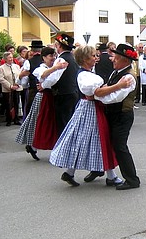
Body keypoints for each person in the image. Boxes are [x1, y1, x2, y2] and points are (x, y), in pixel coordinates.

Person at [49, 45, 123, 187]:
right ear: (84, 59)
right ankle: (110, 176)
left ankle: (71, 172)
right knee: (100, 139)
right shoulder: (84, 75)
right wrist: (117, 86)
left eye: (96, 55)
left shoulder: (88, 73)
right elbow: (93, 93)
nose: (96, 58)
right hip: (91, 109)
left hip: (90, 108)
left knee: (85, 140)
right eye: (93, 56)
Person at [94, 43, 140, 190]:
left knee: (120, 146)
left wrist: (98, 95)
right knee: (109, 144)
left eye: (116, 57)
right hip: (113, 113)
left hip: (122, 115)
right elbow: (108, 88)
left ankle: (132, 179)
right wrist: (102, 91)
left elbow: (115, 98)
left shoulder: (129, 77)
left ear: (125, 60)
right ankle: (102, 171)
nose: (112, 59)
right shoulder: (117, 73)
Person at [15, 46, 67, 160]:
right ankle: (34, 145)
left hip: (51, 97)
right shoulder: (39, 68)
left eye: (54, 55)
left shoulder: (54, 66)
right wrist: (56, 67)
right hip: (43, 97)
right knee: (39, 122)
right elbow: (43, 75)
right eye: (50, 56)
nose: (53, 58)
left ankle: (37, 146)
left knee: (50, 123)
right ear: (44, 58)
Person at [51, 32, 80, 136]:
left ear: (59, 46)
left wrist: (43, 84)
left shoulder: (61, 59)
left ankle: (63, 148)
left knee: (63, 123)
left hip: (63, 94)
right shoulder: (73, 58)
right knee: (70, 121)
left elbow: (53, 79)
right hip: (73, 92)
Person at [0, 51, 22, 126]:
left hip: (17, 88)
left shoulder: (16, 66)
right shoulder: (1, 68)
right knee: (8, 104)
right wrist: (10, 86)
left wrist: (17, 84)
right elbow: (1, 79)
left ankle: (16, 119)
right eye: (9, 58)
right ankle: (9, 119)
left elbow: (20, 76)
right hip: (7, 89)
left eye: (12, 57)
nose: (11, 59)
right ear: (5, 59)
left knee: (16, 103)